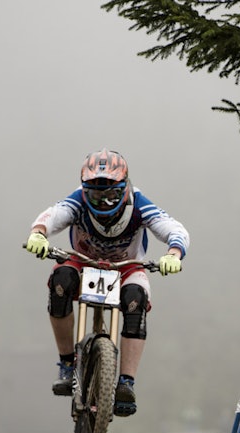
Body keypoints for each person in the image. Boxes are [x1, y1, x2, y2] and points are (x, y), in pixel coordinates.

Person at [24, 148, 189, 416]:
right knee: (60, 282)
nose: (102, 201)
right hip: (83, 261)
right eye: (95, 194)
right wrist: (38, 234)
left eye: (111, 193)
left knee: (135, 299)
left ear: (124, 187)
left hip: (127, 267)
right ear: (84, 190)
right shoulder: (77, 200)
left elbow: (173, 228)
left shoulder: (139, 203)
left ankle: (126, 382)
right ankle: (67, 364)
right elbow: (53, 215)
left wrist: (174, 253)